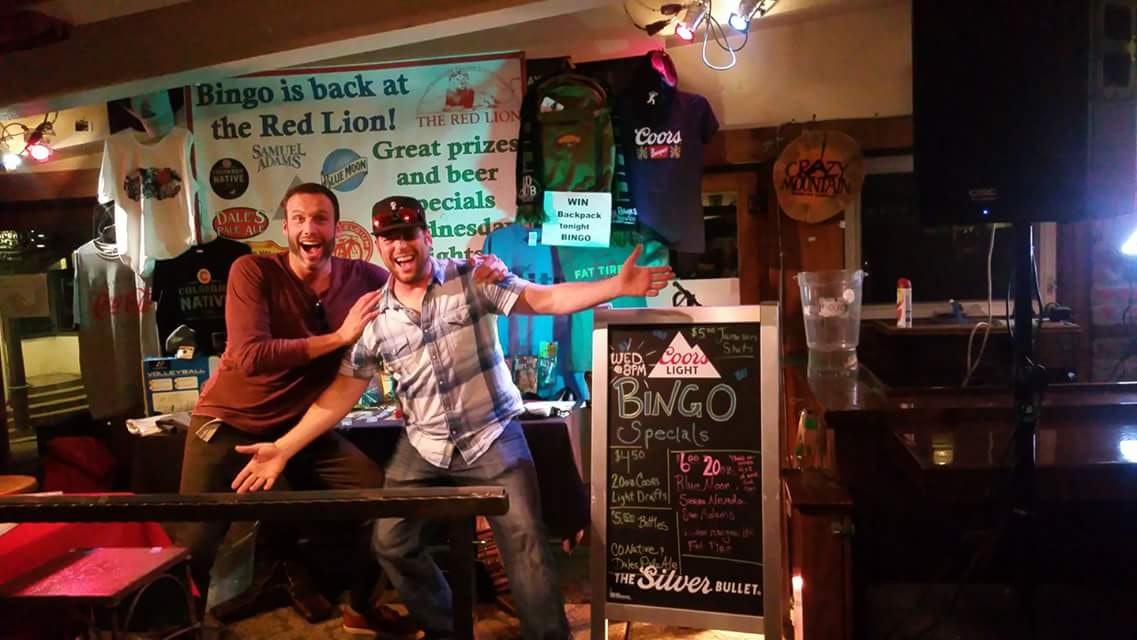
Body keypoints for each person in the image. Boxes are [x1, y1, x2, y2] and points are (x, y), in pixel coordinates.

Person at [229, 195, 675, 639]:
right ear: (379, 247)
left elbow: (545, 299)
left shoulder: (473, 279)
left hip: (492, 436)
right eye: (389, 238)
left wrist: (616, 287)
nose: (400, 246)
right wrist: (283, 448)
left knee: (526, 547)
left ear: (426, 237)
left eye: (408, 235)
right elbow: (341, 392)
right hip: (424, 446)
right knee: (390, 543)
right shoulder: (372, 315)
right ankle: (449, 630)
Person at [178, 182, 504, 635]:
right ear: (286, 227)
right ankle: (177, 629)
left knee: (381, 504)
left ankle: (360, 608)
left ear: (335, 227)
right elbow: (251, 354)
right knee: (195, 541)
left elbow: (420, 277)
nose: (309, 228)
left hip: (302, 428)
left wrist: (480, 269)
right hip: (230, 424)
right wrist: (337, 338)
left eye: (320, 219)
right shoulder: (252, 270)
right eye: (298, 219)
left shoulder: (364, 279)